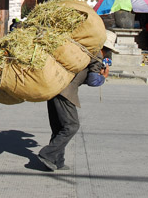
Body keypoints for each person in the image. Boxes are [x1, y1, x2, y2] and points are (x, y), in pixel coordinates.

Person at [37, 30, 118, 171]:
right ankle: (47, 154)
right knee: (71, 125)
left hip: (54, 87)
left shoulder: (83, 51)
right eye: (109, 51)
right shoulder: (96, 55)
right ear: (105, 48)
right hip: (65, 92)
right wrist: (103, 77)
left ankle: (57, 161)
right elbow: (93, 81)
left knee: (59, 127)